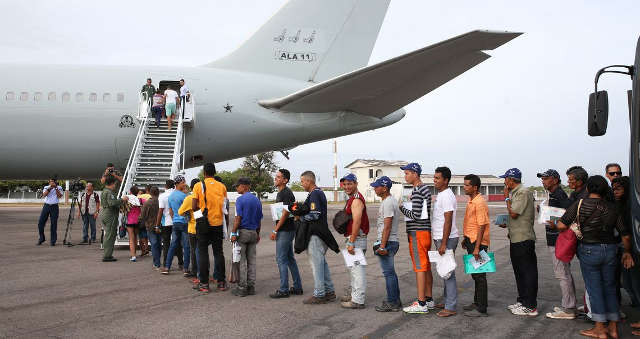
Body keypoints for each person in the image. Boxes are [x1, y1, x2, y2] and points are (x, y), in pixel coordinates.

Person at [557, 175, 634, 339]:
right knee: (610, 288)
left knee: (595, 290)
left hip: (589, 250)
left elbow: (561, 225)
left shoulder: (580, 204)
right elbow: (625, 235)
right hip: (611, 250)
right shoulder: (613, 207)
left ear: (588, 188)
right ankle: (613, 327)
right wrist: (627, 252)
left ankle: (600, 328)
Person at [536, 169, 576, 320]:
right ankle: (568, 304)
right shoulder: (553, 194)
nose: (543, 181)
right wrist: (544, 211)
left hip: (558, 240)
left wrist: (557, 224)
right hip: (555, 239)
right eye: (543, 178)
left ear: (554, 180)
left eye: (546, 178)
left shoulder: (559, 194)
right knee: (564, 273)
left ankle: (569, 308)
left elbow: (569, 212)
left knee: (562, 274)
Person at [498, 168, 539, 316]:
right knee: (519, 272)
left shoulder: (523, 192)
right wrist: (507, 224)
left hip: (524, 238)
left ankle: (530, 306)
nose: (504, 182)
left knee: (527, 272)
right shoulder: (516, 192)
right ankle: (523, 301)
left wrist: (506, 198)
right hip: (516, 237)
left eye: (505, 179)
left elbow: (514, 213)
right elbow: (514, 216)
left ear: (511, 180)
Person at [398, 163, 435, 314]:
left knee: (419, 267)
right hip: (424, 232)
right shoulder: (423, 188)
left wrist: (402, 208)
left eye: (407, 173)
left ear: (415, 174)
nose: (405, 176)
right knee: (426, 266)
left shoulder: (418, 190)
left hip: (417, 232)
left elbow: (416, 215)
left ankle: (421, 303)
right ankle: (428, 299)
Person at [299, 170, 339, 305]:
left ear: (309, 181)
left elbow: (315, 214)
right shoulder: (317, 193)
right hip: (321, 233)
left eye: (303, 181)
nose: (302, 184)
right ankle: (329, 291)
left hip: (316, 234)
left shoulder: (315, 194)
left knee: (317, 265)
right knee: (322, 264)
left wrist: (300, 217)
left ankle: (319, 294)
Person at [192, 163, 228, 293]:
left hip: (203, 223)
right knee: (218, 252)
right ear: (215, 172)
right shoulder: (222, 186)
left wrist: (198, 218)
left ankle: (204, 284)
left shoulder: (198, 185)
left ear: (204, 173)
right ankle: (221, 282)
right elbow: (225, 207)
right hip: (217, 223)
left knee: (202, 252)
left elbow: (194, 206)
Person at [269, 168, 303, 299]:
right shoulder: (283, 193)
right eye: (276, 177)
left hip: (285, 230)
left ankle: (284, 289)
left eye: (278, 177)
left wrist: (275, 230)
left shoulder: (285, 193)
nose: (275, 179)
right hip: (288, 229)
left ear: (285, 180)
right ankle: (297, 287)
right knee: (289, 259)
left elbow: (285, 212)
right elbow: (292, 209)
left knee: (281, 259)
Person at [370, 176, 402, 312]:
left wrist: (382, 246)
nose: (374, 188)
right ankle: (395, 300)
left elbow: (387, 226)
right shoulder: (389, 201)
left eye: (377, 186)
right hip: (389, 240)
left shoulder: (388, 202)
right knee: (391, 273)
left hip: (388, 241)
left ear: (384, 188)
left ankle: (392, 302)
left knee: (388, 273)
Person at [431, 166, 459, 317]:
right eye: (434, 178)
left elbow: (448, 221)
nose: (434, 181)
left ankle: (451, 306)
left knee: (448, 272)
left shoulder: (447, 196)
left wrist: (443, 243)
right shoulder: (442, 194)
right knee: (444, 270)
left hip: (446, 238)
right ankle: (447, 300)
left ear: (446, 180)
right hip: (441, 237)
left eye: (437, 178)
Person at [461, 174, 490, 317]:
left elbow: (481, 226)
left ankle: (482, 306)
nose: (464, 187)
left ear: (475, 187)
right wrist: (465, 238)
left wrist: (477, 247)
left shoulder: (479, 202)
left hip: (477, 243)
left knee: (480, 275)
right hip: (470, 240)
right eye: (464, 184)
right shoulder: (471, 200)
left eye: (467, 185)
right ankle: (477, 302)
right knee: (475, 274)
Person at [339, 173, 369, 309]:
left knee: (357, 270)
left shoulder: (356, 199)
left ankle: (358, 300)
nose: (347, 187)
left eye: (350, 184)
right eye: (344, 184)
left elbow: (357, 221)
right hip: (353, 237)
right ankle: (354, 295)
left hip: (356, 239)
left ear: (356, 184)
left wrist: (351, 242)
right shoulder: (352, 198)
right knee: (353, 269)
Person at [230, 177, 263, 297]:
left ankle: (242, 287)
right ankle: (251, 287)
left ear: (244, 186)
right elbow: (259, 220)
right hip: (254, 232)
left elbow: (238, 218)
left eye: (237, 186)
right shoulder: (257, 200)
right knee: (252, 261)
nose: (237, 188)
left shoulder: (240, 200)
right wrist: (258, 233)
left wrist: (233, 233)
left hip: (243, 233)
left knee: (242, 261)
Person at [162, 176, 190, 275]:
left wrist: (175, 218)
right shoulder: (184, 196)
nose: (185, 183)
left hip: (175, 222)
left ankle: (166, 267)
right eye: (183, 182)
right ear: (178, 183)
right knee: (186, 246)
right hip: (184, 223)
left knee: (173, 245)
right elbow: (187, 210)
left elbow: (170, 211)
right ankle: (185, 268)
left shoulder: (171, 196)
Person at [157, 180, 183, 271]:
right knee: (178, 243)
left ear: (165, 186)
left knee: (166, 243)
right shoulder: (178, 194)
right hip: (177, 221)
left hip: (166, 223)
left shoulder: (162, 196)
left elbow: (160, 211)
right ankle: (181, 263)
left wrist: (157, 225)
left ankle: (166, 264)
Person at [101, 175, 128, 262]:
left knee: (108, 235)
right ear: (112, 183)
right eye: (115, 184)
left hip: (106, 213)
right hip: (110, 215)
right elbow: (112, 203)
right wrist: (122, 200)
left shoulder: (105, 191)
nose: (115, 185)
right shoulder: (109, 192)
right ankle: (107, 255)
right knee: (110, 235)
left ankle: (107, 253)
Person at [179, 179, 200, 281]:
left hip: (192, 228)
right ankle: (204, 271)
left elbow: (180, 212)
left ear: (191, 187)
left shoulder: (189, 198)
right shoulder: (204, 197)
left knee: (194, 251)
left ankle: (195, 272)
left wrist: (188, 213)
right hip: (204, 227)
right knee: (202, 251)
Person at [37, 177, 63, 246]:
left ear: (55, 182)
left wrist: (56, 188)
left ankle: (53, 241)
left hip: (54, 206)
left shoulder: (59, 187)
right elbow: (44, 195)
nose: (51, 183)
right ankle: (41, 238)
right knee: (40, 223)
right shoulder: (46, 187)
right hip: (46, 206)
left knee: (54, 224)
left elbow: (59, 196)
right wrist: (50, 188)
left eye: (53, 182)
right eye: (50, 181)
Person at [140, 186, 161, 269]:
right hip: (160, 225)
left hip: (150, 226)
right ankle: (158, 261)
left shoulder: (147, 203)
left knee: (154, 244)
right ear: (158, 193)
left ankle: (156, 263)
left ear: (150, 193)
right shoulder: (160, 201)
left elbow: (143, 216)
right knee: (158, 244)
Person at [125, 186, 142, 262]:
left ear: (130, 191)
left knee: (131, 238)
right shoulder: (140, 199)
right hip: (137, 220)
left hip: (130, 221)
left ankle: (133, 256)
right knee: (135, 237)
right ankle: (134, 253)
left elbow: (122, 200)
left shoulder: (128, 198)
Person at [137, 187, 150, 256]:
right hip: (144, 219)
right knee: (144, 236)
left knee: (141, 236)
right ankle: (145, 249)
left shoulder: (140, 199)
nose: (139, 194)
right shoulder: (145, 199)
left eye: (140, 193)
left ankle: (144, 250)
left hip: (141, 220)